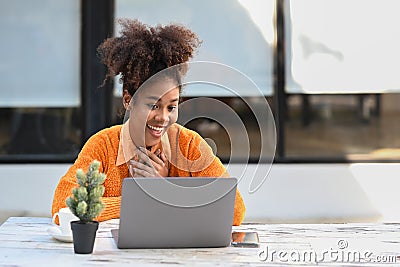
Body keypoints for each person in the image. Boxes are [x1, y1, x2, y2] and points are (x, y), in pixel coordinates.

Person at [52, 19, 245, 226]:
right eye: (153, 106)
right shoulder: (103, 146)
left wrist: (164, 189)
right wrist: (138, 200)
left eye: (171, 107)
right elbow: (62, 208)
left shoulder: (189, 145)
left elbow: (235, 210)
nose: (163, 117)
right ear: (128, 100)